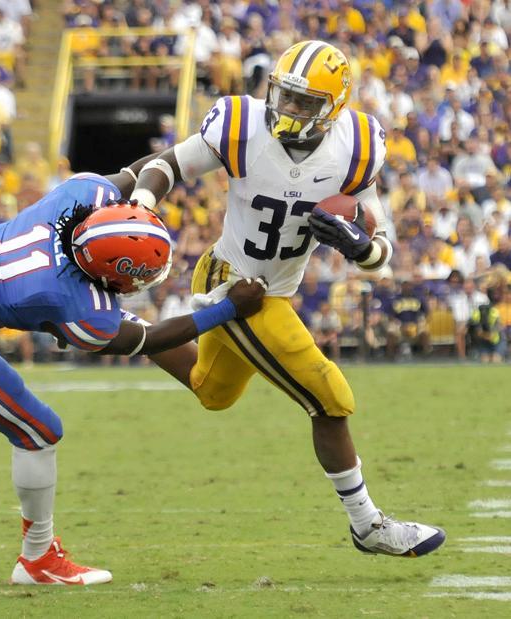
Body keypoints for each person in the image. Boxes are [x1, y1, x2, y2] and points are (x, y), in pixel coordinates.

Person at [0, 173, 266, 585]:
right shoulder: (80, 304)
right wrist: (227, 310)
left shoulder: (75, 197)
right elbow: (150, 338)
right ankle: (39, 559)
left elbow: (144, 169)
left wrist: (178, 169)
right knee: (39, 431)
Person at [118, 40, 445, 558]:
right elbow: (169, 165)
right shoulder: (241, 125)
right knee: (330, 397)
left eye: (303, 102)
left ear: (332, 108)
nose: (287, 109)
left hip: (275, 290)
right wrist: (140, 203)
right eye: (284, 95)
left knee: (213, 392)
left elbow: (380, 245)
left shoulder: (356, 146)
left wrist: (362, 250)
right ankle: (368, 525)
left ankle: (119, 329)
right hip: (236, 282)